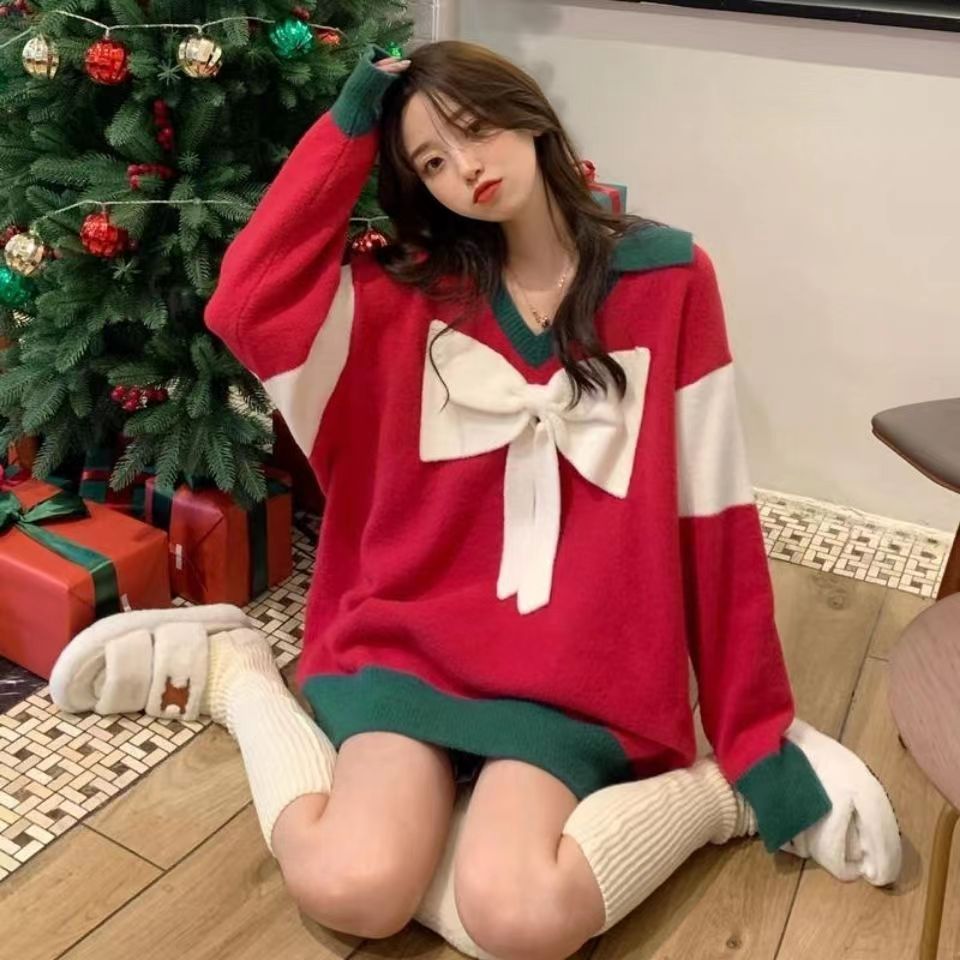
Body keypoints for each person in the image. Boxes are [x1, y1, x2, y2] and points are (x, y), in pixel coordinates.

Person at [50, 40, 901, 960]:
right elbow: (246, 304)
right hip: (416, 640)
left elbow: (716, 521)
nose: (465, 168)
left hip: (580, 665)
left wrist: (752, 740)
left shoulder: (670, 281)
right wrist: (353, 119)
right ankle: (239, 676)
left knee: (520, 918)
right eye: (430, 162)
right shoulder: (405, 293)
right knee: (351, 886)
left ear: (526, 113)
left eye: (474, 129)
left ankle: (713, 800)